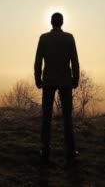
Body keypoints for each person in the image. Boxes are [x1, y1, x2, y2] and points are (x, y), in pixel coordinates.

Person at [34, 12, 80, 163]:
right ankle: (70, 151)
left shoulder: (44, 38)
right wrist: (75, 79)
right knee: (67, 117)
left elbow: (38, 60)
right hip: (65, 81)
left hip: (48, 81)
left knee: (46, 117)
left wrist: (38, 78)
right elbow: (74, 60)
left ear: (51, 22)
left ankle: (45, 149)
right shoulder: (69, 38)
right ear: (62, 22)